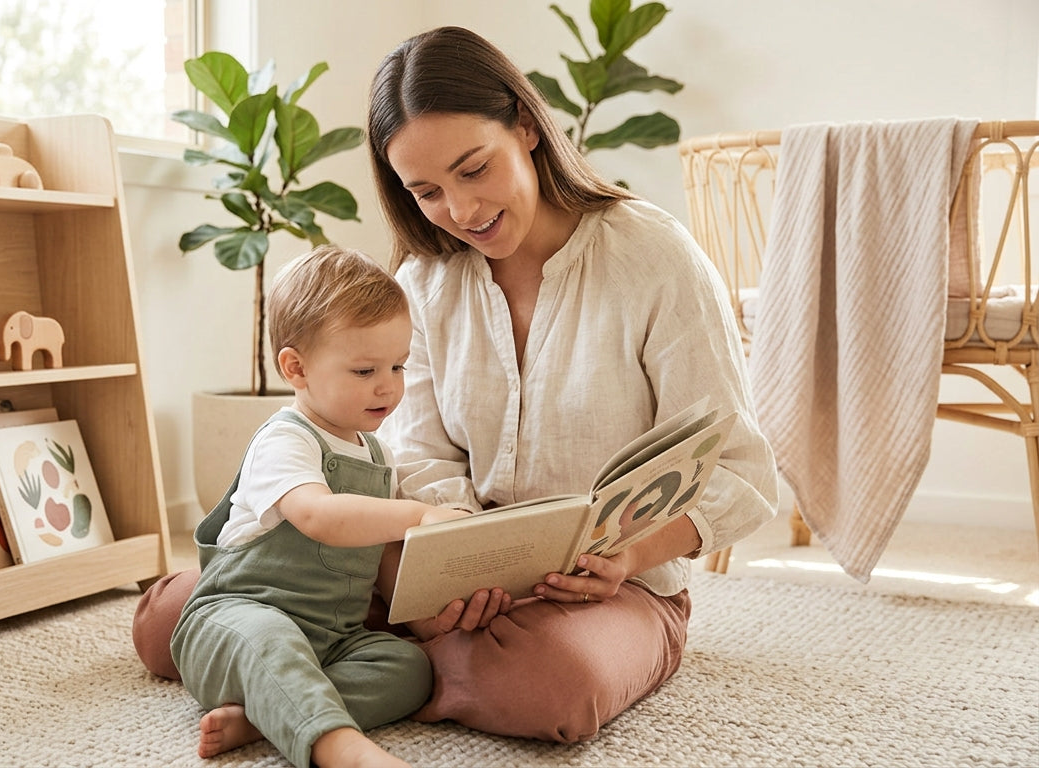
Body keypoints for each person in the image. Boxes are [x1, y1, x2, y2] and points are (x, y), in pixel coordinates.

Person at [136, 25, 778, 744]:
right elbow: (416, 456)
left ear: (527, 126)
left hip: (605, 590)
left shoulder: (655, 258)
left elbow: (738, 470)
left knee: (551, 688)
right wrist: (453, 570)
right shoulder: (427, 281)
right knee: (169, 623)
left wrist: (627, 556)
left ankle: (294, 694)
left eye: (475, 169)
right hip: (442, 580)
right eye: (428, 192)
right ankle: (354, 672)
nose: (462, 212)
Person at [166, 244, 470, 767]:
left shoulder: (378, 454)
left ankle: (268, 714)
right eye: (364, 370)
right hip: (237, 623)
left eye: (398, 366)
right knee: (271, 639)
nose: (388, 386)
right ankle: (340, 748)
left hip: (332, 641)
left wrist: (425, 618)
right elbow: (320, 516)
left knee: (408, 669)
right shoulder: (286, 440)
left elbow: (381, 564)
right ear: (296, 368)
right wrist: (419, 514)